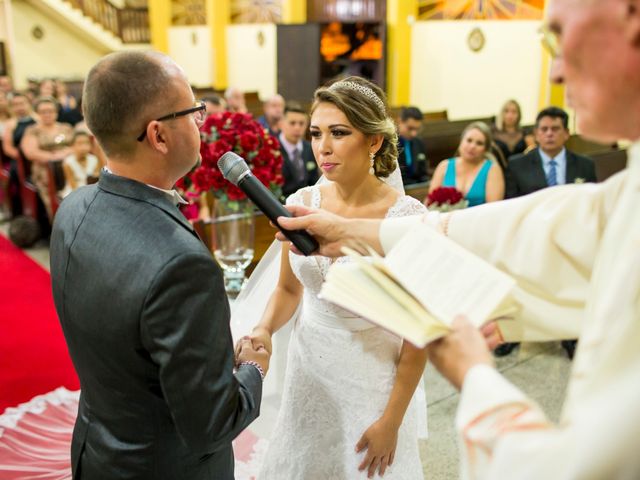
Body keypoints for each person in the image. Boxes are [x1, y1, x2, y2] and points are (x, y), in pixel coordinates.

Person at [273, 0, 640, 476]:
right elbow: (569, 225)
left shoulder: (404, 205)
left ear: (632, 16)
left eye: (557, 37)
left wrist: (474, 375)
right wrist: (349, 231)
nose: (553, 72)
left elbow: (589, 464)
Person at [49, 51, 269, 479]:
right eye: (194, 112)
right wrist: (254, 368)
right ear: (159, 136)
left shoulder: (72, 210)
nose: (201, 123)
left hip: (97, 453)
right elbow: (212, 426)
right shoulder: (182, 265)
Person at [237, 77, 428, 479]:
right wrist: (266, 327)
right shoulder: (303, 203)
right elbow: (288, 290)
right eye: (316, 133)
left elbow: (418, 334)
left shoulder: (407, 219)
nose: (323, 147)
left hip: (372, 378)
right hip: (309, 372)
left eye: (339, 133)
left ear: (374, 141)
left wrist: (391, 421)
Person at [499, 106, 596, 358]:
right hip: (531, 236)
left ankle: (571, 334)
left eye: (556, 129)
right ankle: (513, 334)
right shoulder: (518, 165)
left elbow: (591, 205)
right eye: (544, 129)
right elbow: (510, 203)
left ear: (566, 134)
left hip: (571, 237)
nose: (549, 134)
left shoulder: (584, 166)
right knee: (519, 284)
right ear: (537, 134)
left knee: (571, 285)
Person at [20, 96, 73, 220]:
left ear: (56, 112)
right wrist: (54, 157)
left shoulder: (66, 127)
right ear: (37, 113)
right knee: (47, 178)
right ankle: (57, 219)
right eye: (43, 112)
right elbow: (30, 152)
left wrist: (66, 154)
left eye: (50, 111)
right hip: (45, 168)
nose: (47, 114)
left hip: (68, 164)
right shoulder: (32, 130)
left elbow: (77, 145)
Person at [428, 121, 505, 207]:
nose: (472, 146)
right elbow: (430, 202)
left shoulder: (493, 169)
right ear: (461, 141)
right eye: (469, 140)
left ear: (485, 149)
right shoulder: (444, 166)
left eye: (479, 143)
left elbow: (493, 208)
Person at [2, 92, 36, 216]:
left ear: (28, 104)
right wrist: (24, 157)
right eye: (15, 104)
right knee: (15, 172)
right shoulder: (11, 124)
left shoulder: (37, 119)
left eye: (22, 103)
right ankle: (18, 209)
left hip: (37, 157)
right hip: (20, 159)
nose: (19, 107)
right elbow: (8, 148)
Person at [278, 101, 319, 197]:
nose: (297, 128)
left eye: (301, 123)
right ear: (281, 124)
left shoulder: (311, 147)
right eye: (292, 123)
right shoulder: (272, 148)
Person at [60, 130, 100, 197]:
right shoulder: (67, 163)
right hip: (74, 191)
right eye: (79, 143)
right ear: (72, 145)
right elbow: (73, 185)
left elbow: (96, 180)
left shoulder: (94, 159)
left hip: (91, 190)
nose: (83, 147)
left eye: (86, 143)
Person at [397, 106, 429, 185]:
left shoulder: (418, 143)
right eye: (410, 128)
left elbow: (422, 171)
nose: (414, 134)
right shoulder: (390, 143)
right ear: (400, 122)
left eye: (417, 129)